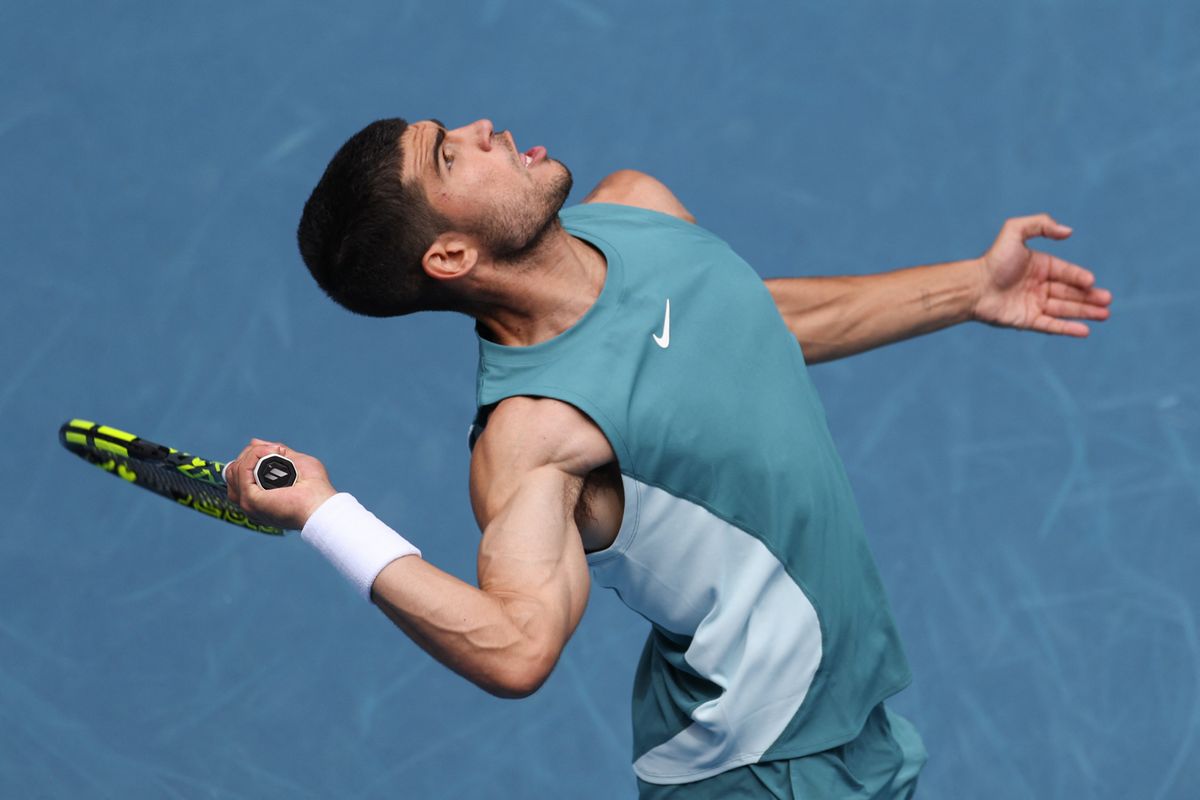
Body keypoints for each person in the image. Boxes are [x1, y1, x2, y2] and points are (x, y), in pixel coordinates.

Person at [224, 118, 1111, 798]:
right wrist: (324, 515)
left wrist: (968, 288)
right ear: (451, 254)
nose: (483, 130)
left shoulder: (637, 209)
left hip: (846, 728)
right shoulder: (534, 435)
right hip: (757, 767)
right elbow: (516, 647)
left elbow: (752, 326)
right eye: (451, 158)